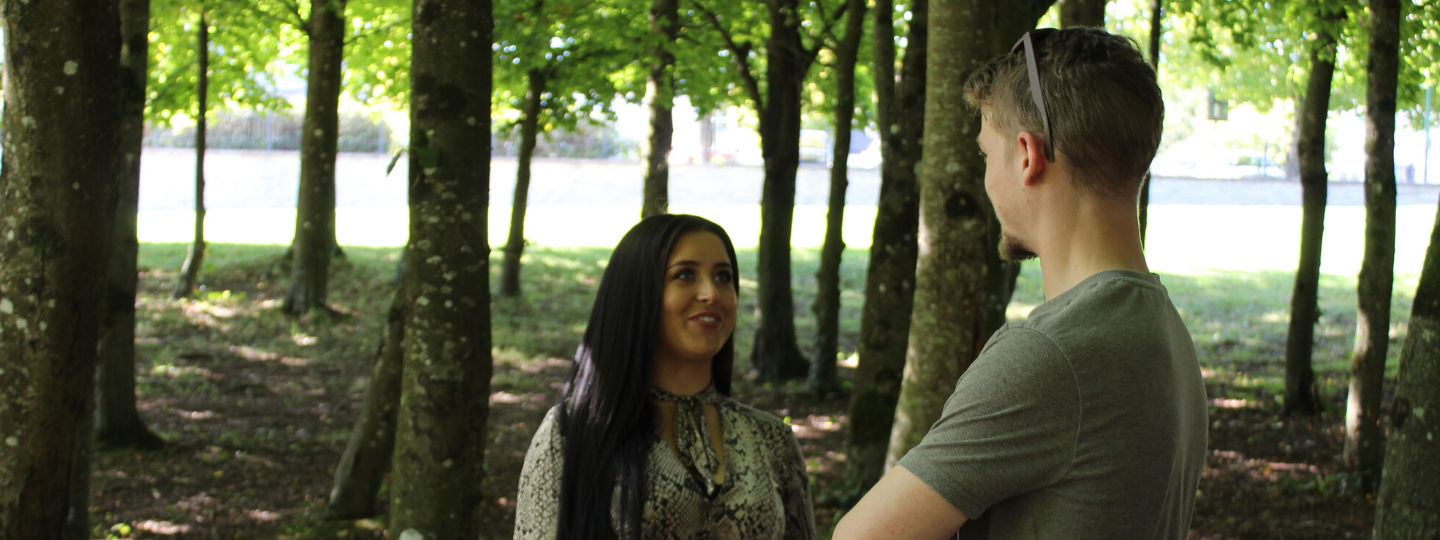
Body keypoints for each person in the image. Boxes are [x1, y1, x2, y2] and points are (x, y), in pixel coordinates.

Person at [834, 28, 1207, 539]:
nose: (986, 178)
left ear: (1028, 156)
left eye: (987, 155)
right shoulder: (1166, 333)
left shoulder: (1049, 355)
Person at [513, 214, 816, 540]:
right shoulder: (571, 434)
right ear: (637, 294)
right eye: (685, 275)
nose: (710, 293)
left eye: (723, 277)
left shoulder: (773, 440)